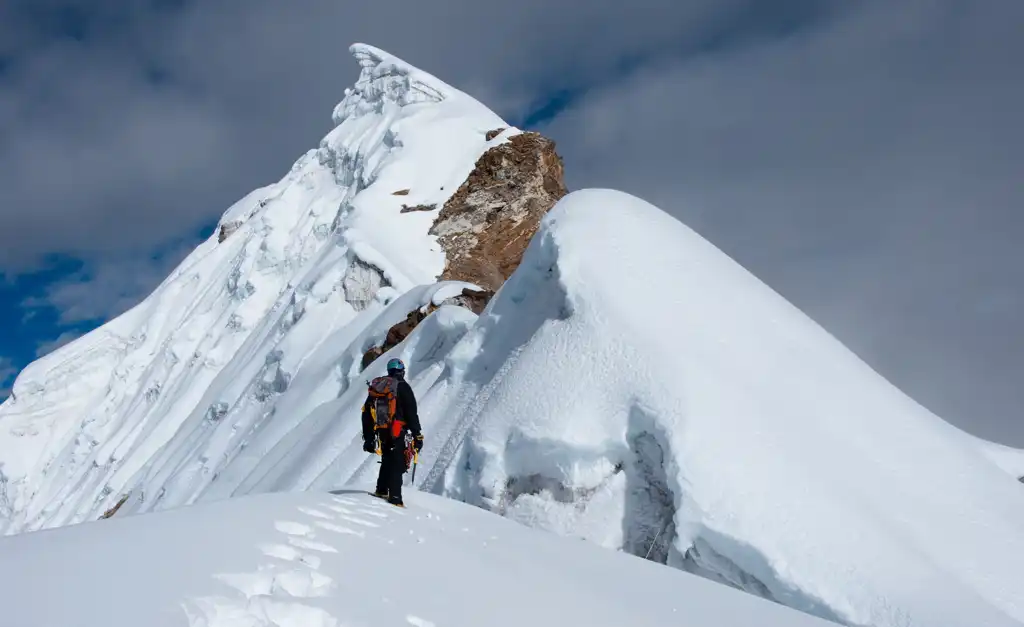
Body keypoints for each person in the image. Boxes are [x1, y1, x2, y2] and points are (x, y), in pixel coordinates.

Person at [361, 358, 423, 507]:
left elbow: (366, 413)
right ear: (402, 371)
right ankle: (395, 498)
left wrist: (369, 437)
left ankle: (381, 490)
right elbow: (411, 413)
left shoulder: (379, 388)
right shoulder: (402, 387)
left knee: (387, 458)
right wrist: (417, 435)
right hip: (397, 431)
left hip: (381, 431)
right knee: (397, 463)